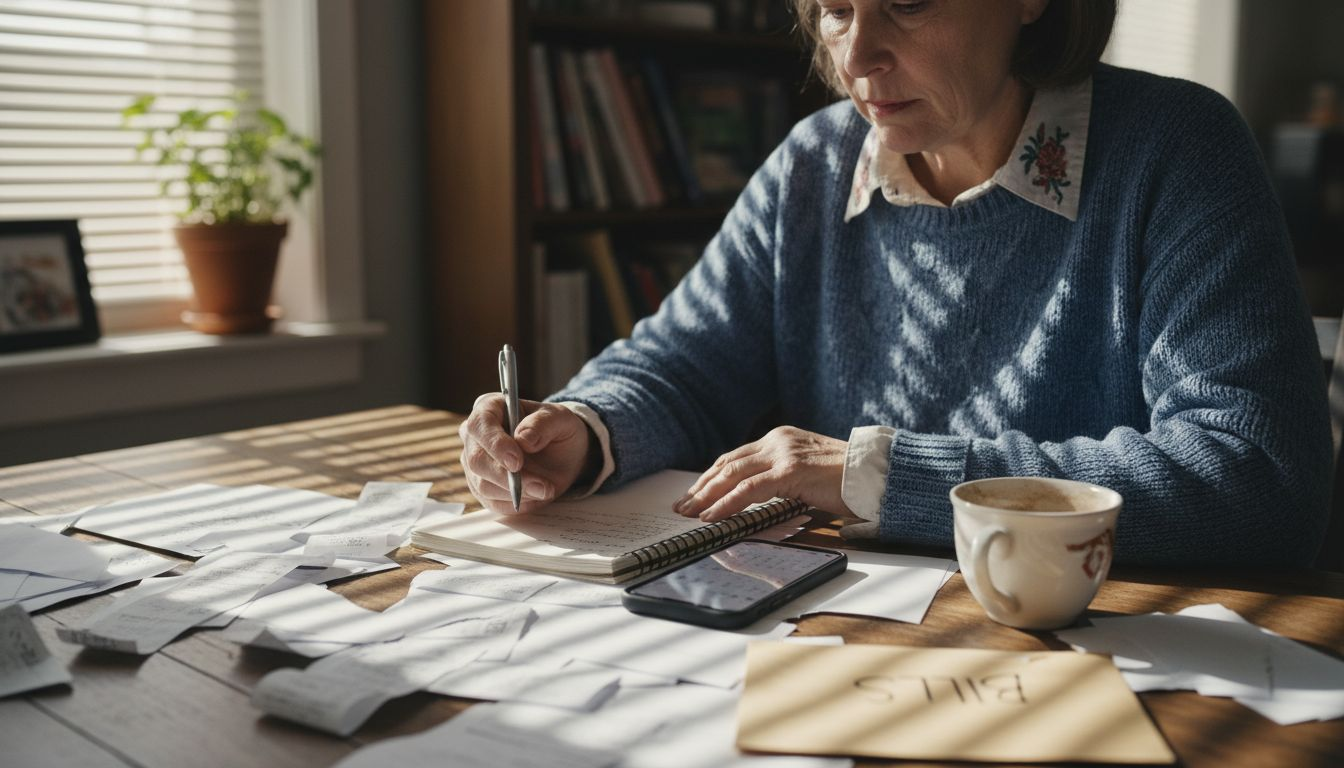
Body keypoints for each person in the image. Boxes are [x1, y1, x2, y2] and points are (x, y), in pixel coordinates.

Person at [459, 0, 1331, 566]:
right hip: (859, 637)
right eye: (835, 8)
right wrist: (580, 428)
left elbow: (1254, 476)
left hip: (1117, 651)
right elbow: (683, 364)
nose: (857, 56)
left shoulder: (1177, 153)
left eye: (906, 4)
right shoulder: (814, 163)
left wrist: (876, 473)